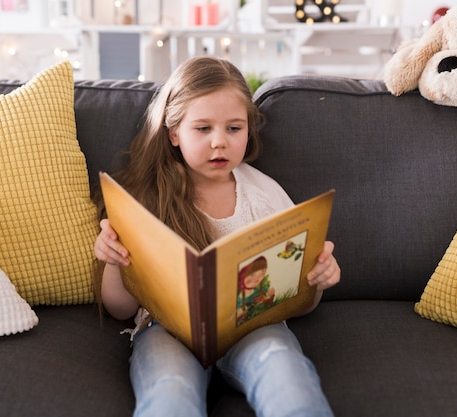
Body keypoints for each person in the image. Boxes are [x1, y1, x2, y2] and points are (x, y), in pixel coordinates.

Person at [93, 55, 341, 417]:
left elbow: (301, 302)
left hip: (255, 325)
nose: (220, 143)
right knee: (169, 394)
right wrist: (113, 262)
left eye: (234, 128)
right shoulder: (145, 201)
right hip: (165, 329)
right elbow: (120, 309)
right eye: (203, 129)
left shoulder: (264, 194)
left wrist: (317, 281)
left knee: (286, 374)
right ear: (174, 132)